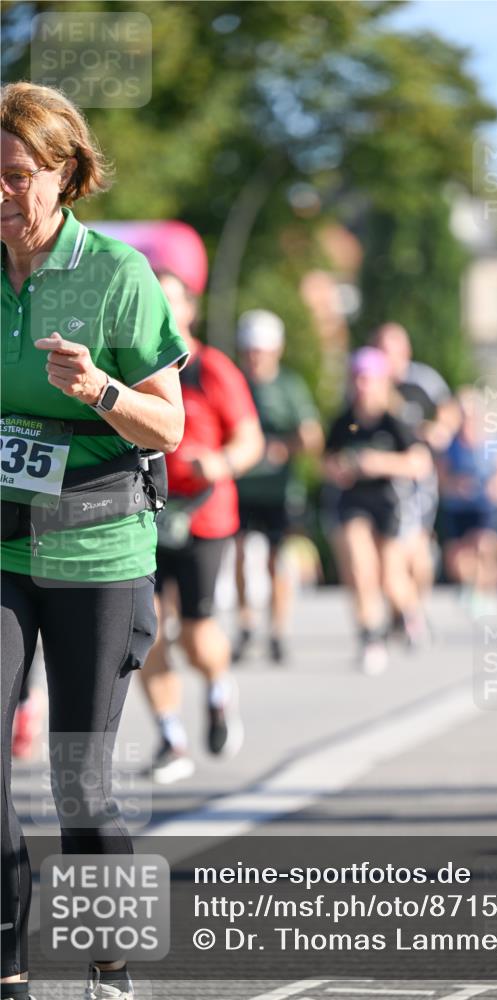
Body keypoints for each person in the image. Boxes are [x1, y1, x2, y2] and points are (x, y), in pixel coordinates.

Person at [1, 83, 187, 1000]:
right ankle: (8, 964)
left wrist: (101, 392)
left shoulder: (116, 275)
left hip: (97, 550)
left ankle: (110, 965)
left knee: (79, 777)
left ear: (66, 175)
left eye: (16, 176)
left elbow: (171, 428)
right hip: (2, 544)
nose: (0, 193)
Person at [140, 272, 263, 783]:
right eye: (155, 303)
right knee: (142, 630)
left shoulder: (213, 369)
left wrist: (218, 462)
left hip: (203, 516)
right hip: (143, 511)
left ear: (189, 311)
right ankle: (171, 738)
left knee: (194, 633)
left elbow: (250, 440)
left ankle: (217, 691)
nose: (164, 313)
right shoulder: (131, 362)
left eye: (172, 303)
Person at [324, 347, 432, 674]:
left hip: (390, 501)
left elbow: (420, 463)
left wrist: (378, 463)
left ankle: (409, 612)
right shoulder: (345, 422)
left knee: (389, 577)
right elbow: (326, 462)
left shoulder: (395, 421)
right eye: (357, 379)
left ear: (382, 383)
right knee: (360, 567)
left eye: (368, 380)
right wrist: (339, 468)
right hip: (354, 501)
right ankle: (370, 636)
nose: (362, 386)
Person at [233, 310, 323, 664]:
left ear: (276, 351)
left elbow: (311, 436)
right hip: (240, 487)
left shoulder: (289, 386)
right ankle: (245, 624)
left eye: (262, 351)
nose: (255, 358)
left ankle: (278, 629)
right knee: (238, 556)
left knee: (275, 560)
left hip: (277, 490)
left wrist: (288, 445)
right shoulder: (237, 383)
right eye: (250, 351)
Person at [372, 323, 452, 629]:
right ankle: (402, 608)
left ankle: (414, 606)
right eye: (380, 349)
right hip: (382, 476)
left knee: (414, 543)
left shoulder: (422, 380)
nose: (384, 357)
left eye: (389, 350)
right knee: (388, 549)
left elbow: (448, 409)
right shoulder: (368, 381)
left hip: (416, 476)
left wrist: (439, 430)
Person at [437, 388, 497, 615]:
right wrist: (455, 486)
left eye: (472, 414)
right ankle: (468, 586)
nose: (467, 419)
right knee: (457, 558)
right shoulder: (449, 444)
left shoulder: (495, 442)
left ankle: (484, 593)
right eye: (463, 414)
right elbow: (440, 478)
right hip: (458, 506)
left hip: (486, 506)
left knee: (485, 547)